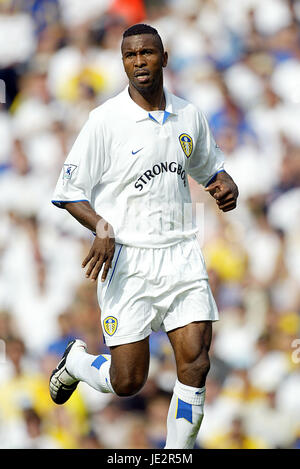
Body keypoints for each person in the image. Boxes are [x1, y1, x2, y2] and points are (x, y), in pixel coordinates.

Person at [49, 23, 239, 449]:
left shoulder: (189, 115)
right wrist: (101, 226)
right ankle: (78, 362)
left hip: (181, 253)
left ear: (164, 57)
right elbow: (68, 193)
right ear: (123, 63)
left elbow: (209, 168)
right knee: (129, 381)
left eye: (147, 53)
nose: (140, 62)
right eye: (131, 56)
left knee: (196, 361)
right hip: (128, 262)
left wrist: (226, 184)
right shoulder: (105, 121)